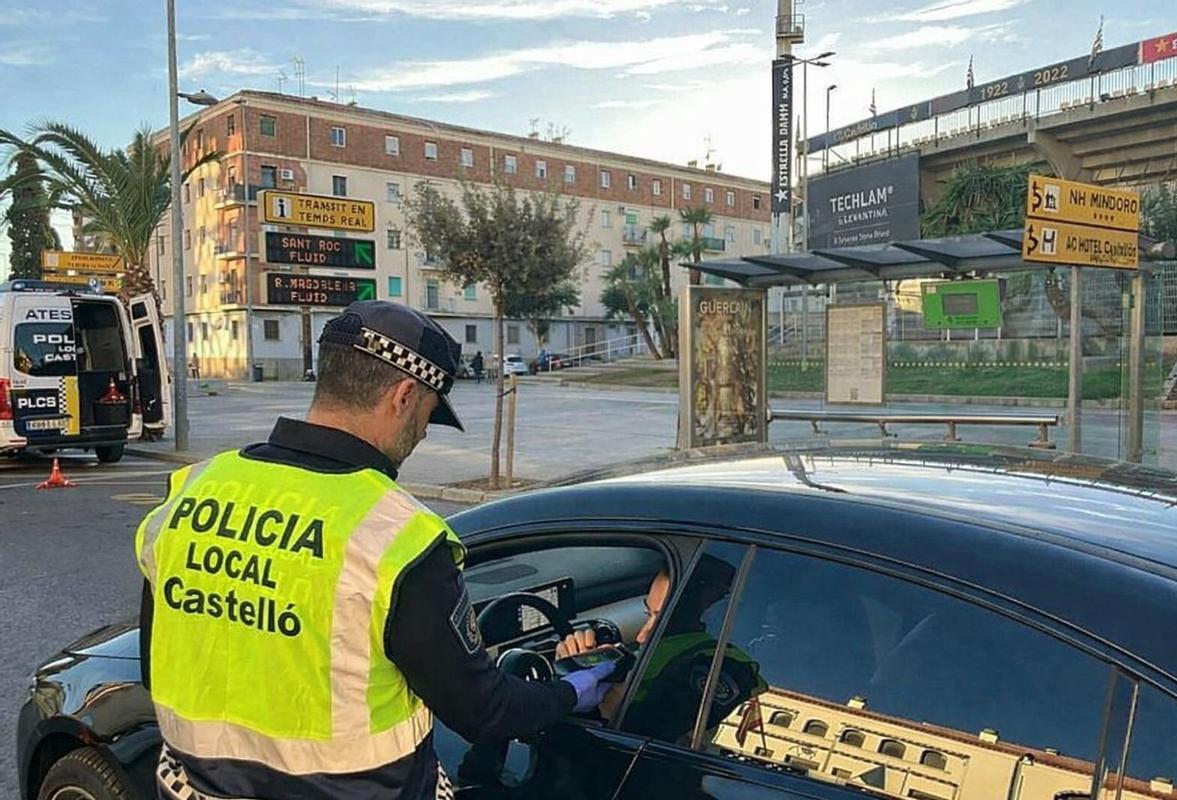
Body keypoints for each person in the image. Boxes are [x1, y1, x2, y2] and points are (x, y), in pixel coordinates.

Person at [134, 301, 614, 800]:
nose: (425, 432)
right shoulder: (396, 536)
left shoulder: (193, 490)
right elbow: (483, 711)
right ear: (404, 395)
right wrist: (568, 690)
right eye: (430, 412)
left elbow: (159, 659)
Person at [555, 557, 763, 744]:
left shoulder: (728, 666)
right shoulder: (668, 646)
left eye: (664, 619)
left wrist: (603, 691)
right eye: (649, 614)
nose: (642, 635)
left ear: (712, 609)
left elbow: (653, 739)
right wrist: (577, 666)